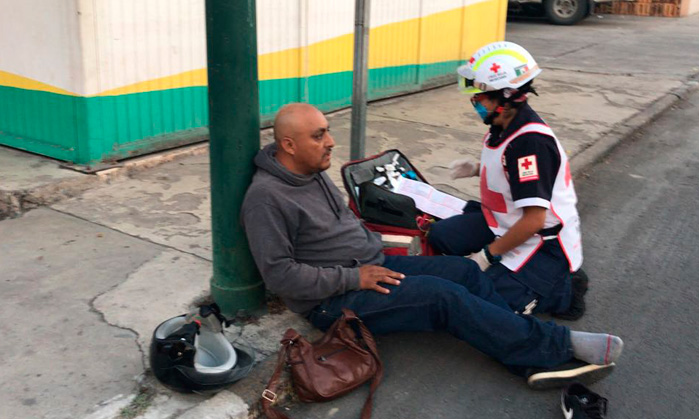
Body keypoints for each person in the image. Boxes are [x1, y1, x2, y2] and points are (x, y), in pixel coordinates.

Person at [241, 103, 623, 389]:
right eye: (319, 136)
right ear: (288, 145)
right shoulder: (266, 199)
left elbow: (341, 229)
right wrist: (354, 278)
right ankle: (552, 348)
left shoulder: (311, 170)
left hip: (371, 265)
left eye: (327, 132)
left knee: (465, 271)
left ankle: (522, 348)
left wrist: (379, 249)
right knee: (442, 298)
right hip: (332, 300)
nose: (330, 142)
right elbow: (280, 276)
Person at [428, 41, 589, 321]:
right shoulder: (503, 126)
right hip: (503, 223)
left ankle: (566, 289)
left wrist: (486, 256)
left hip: (543, 242)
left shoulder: (530, 143)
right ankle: (504, 269)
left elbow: (535, 221)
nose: (474, 101)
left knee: (483, 304)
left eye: (480, 95)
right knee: (441, 236)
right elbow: (513, 172)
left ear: (505, 95)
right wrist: (477, 169)